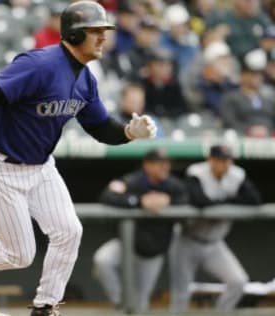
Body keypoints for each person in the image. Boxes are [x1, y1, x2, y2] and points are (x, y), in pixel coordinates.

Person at [0, 2, 156, 315]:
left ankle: (45, 306)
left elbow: (101, 128)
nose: (104, 38)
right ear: (75, 34)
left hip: (40, 167)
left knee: (69, 232)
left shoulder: (86, 80)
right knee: (20, 255)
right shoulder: (41, 64)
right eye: (96, 31)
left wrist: (129, 132)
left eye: (105, 32)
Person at [169, 144, 262, 312]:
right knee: (181, 292)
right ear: (211, 160)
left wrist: (223, 205)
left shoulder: (236, 174)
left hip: (215, 243)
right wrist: (230, 203)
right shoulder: (196, 172)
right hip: (187, 240)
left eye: (228, 160)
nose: (225, 164)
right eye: (220, 160)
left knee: (238, 281)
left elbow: (254, 200)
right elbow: (199, 201)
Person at [93, 148, 188, 311]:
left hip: (152, 252)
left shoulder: (174, 186)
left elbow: (187, 202)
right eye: (159, 164)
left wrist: (168, 200)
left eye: (167, 164)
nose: (165, 167)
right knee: (103, 261)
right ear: (147, 165)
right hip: (127, 244)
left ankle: (130, 305)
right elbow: (108, 195)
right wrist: (139, 201)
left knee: (141, 303)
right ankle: (120, 300)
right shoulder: (132, 181)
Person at [219, 48, 275, 137]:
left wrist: (269, 131)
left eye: (260, 74)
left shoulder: (269, 98)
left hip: (269, 139)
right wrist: (248, 130)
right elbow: (229, 121)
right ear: (242, 75)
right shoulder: (232, 98)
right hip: (242, 138)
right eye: (253, 74)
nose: (258, 77)